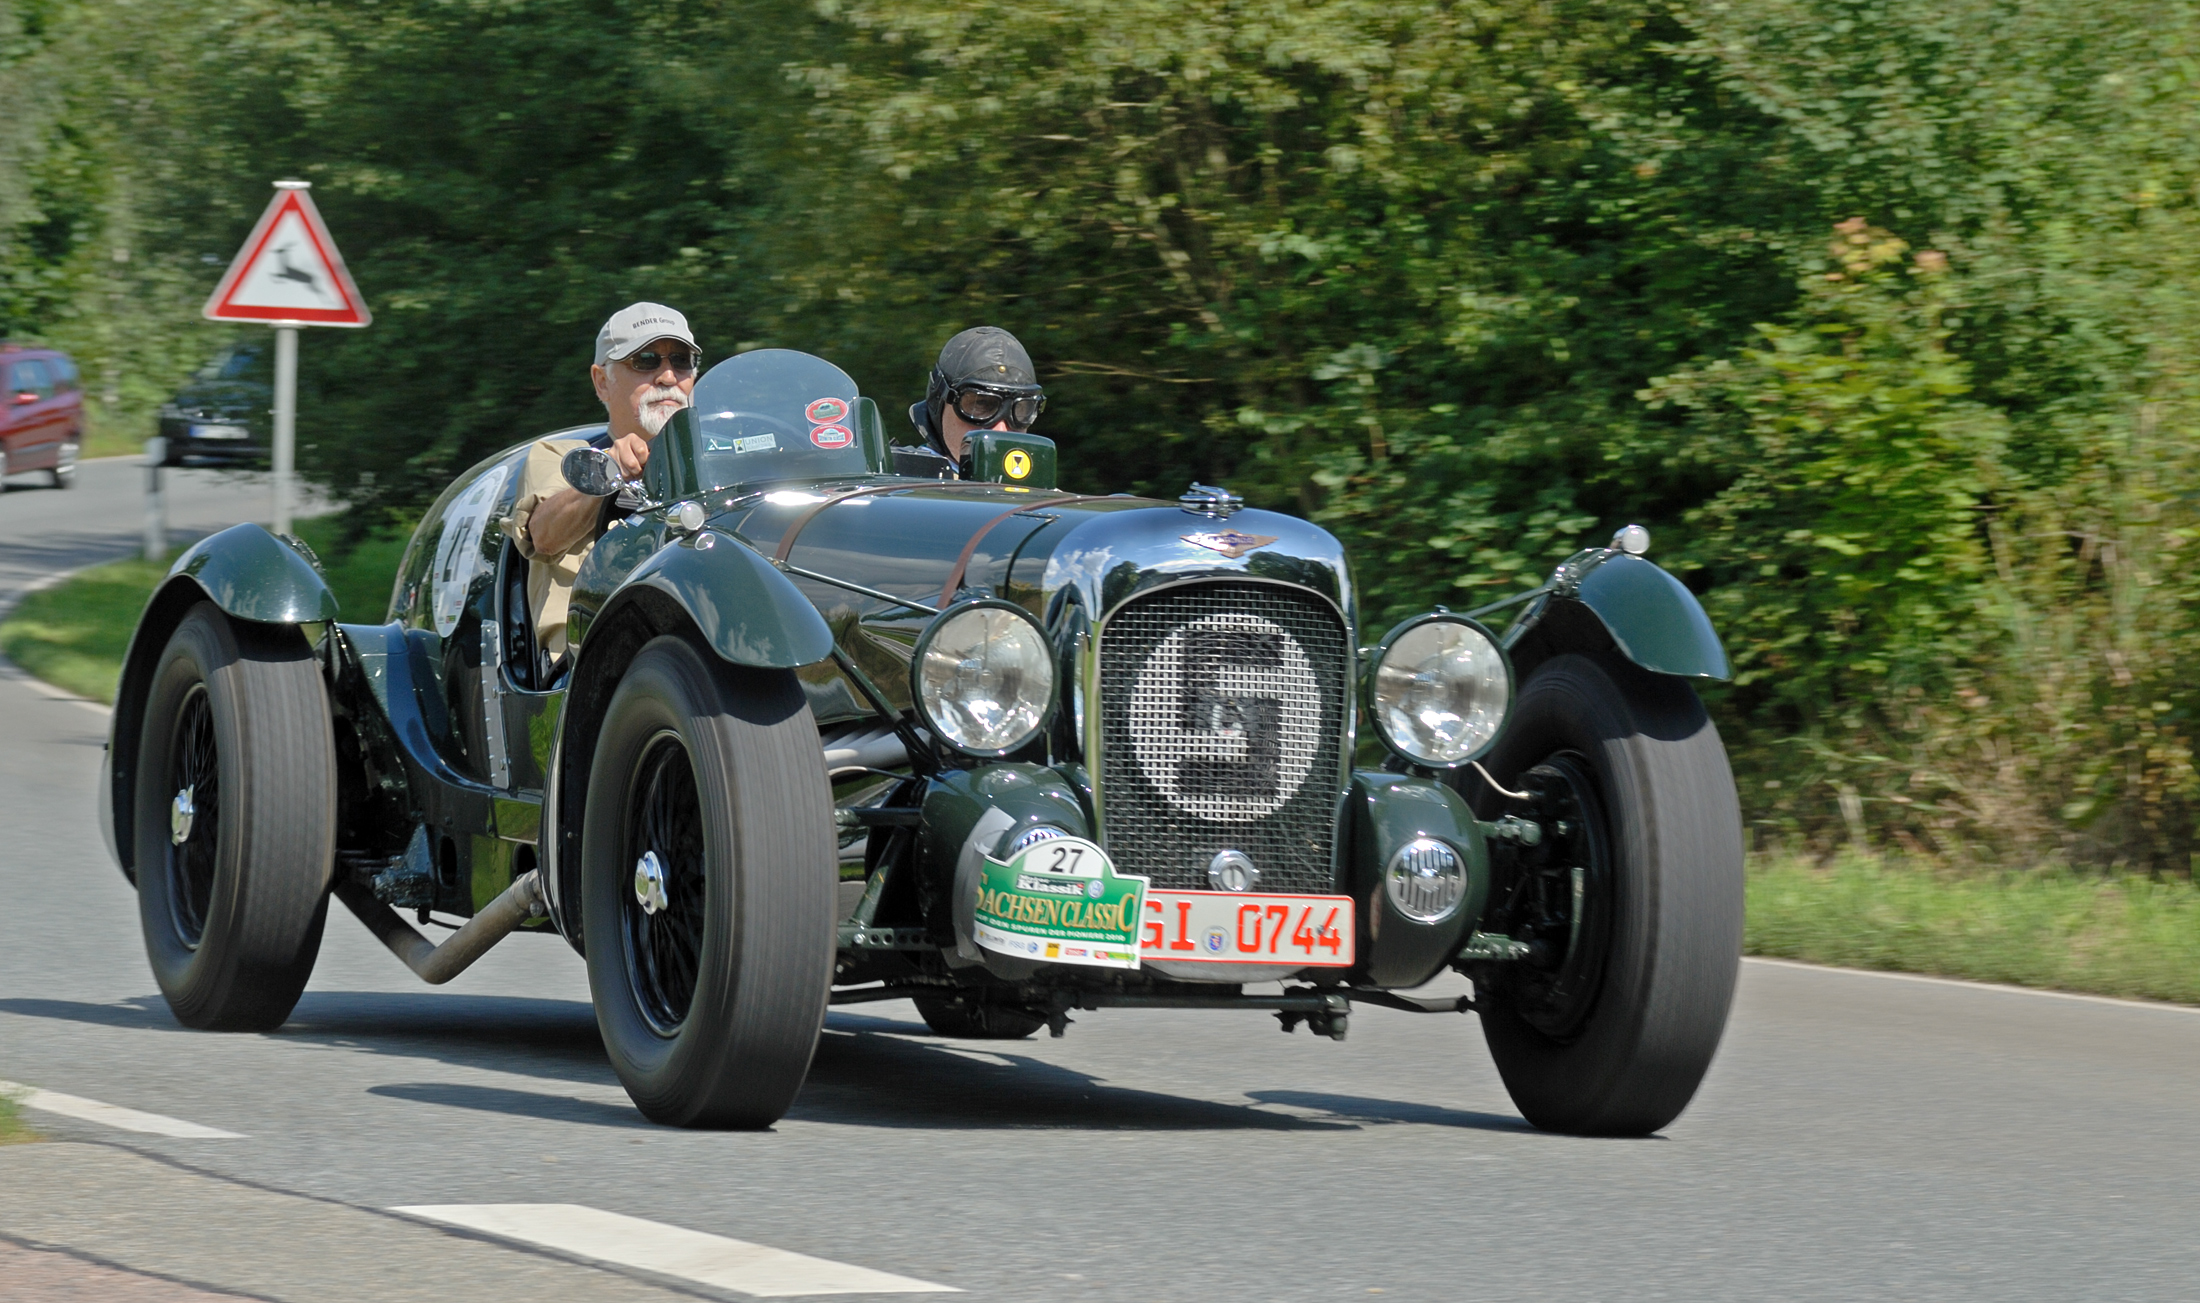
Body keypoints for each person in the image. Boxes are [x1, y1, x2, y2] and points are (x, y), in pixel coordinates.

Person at [503, 302, 701, 657]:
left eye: (681, 360)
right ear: (601, 381)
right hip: (595, 654)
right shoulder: (561, 455)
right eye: (646, 360)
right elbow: (544, 535)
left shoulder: (717, 457)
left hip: (706, 627)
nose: (668, 377)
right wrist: (608, 469)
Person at [908, 326, 1047, 469]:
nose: (1000, 431)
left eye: (1019, 409)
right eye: (980, 405)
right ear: (939, 400)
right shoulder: (901, 484)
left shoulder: (1042, 490)